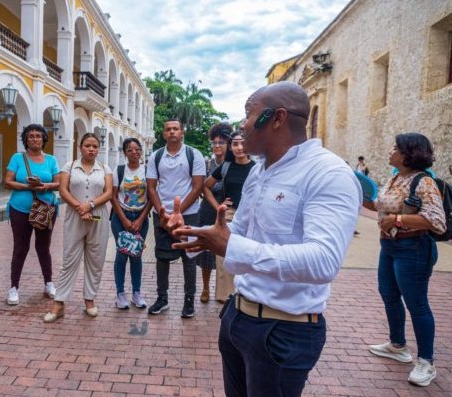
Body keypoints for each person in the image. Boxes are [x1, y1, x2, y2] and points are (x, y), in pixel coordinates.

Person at [171, 82, 362, 396]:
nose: (243, 125)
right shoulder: (260, 172)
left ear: (277, 118)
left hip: (284, 330)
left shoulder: (328, 174)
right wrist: (202, 235)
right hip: (238, 316)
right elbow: (241, 233)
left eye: (249, 114)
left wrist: (232, 245)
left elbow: (323, 261)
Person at [363, 132, 445, 387]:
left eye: (395, 147)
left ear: (409, 153)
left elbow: (437, 221)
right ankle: (398, 345)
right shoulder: (396, 178)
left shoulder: (423, 182)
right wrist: (359, 196)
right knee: (388, 293)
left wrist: (398, 220)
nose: (390, 150)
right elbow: (382, 206)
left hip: (414, 249)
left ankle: (426, 362)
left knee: (417, 304)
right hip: (389, 246)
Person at [43, 133, 113, 322]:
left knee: (95, 260)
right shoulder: (70, 166)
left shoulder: (105, 168)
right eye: (88, 145)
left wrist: (89, 205)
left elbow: (108, 193)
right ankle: (59, 303)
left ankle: (89, 299)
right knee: (69, 260)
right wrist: (79, 207)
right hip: (75, 217)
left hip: (98, 218)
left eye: (95, 146)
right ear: (80, 147)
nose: (91, 149)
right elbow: (63, 190)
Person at [146, 118, 206, 318]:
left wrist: (178, 212)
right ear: (163, 134)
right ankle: (162, 298)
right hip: (161, 215)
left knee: (189, 257)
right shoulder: (156, 156)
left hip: (188, 214)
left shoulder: (193, 154)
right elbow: (151, 187)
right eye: (168, 129)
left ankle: (189, 301)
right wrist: (163, 212)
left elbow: (198, 186)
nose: (172, 132)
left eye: (175, 129)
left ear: (182, 133)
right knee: (161, 257)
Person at [4, 124, 60, 305]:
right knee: (20, 248)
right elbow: (7, 182)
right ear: (25, 139)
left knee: (43, 247)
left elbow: (58, 183)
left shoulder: (51, 160)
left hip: (46, 208)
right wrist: (29, 187)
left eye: (38, 136)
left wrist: (43, 185)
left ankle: (48, 283)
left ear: (44, 139)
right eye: (31, 136)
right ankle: (14, 287)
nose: (35, 139)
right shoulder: (18, 158)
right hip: (19, 208)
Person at [202, 128, 254, 303]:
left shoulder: (257, 168)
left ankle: (245, 292)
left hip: (250, 217)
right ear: (230, 147)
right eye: (235, 144)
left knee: (247, 254)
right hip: (230, 215)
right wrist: (219, 207)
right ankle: (225, 296)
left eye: (242, 143)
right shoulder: (226, 167)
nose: (239, 147)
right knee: (224, 256)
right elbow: (205, 187)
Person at [110, 138, 152, 309]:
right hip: (121, 217)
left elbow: (151, 197)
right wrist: (125, 220)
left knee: (136, 255)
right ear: (125, 153)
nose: (134, 152)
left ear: (141, 151)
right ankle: (120, 294)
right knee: (122, 254)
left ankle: (136, 293)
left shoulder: (148, 171)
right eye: (130, 150)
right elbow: (113, 197)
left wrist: (140, 219)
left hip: (141, 216)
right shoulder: (119, 170)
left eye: (137, 149)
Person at [196, 123, 232, 304]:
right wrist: (217, 205)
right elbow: (202, 188)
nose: (217, 146)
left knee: (225, 252)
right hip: (209, 211)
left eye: (221, 142)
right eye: (215, 142)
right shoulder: (207, 164)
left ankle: (223, 290)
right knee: (206, 253)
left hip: (229, 213)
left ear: (228, 144)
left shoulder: (234, 164)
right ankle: (204, 288)